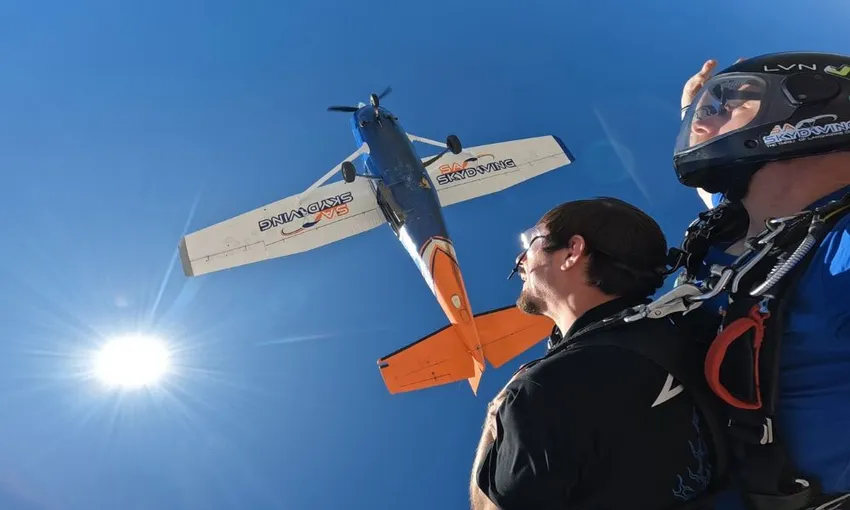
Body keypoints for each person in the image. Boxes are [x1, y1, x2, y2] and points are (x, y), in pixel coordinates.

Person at [671, 51, 850, 510]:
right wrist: (700, 113)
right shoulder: (759, 243)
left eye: (728, 103)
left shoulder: (834, 249)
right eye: (701, 112)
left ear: (812, 100)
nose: (702, 123)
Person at [469, 197, 727, 510]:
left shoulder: (547, 388)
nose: (521, 258)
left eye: (532, 241)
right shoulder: (686, 336)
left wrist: (494, 417)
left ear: (572, 251)